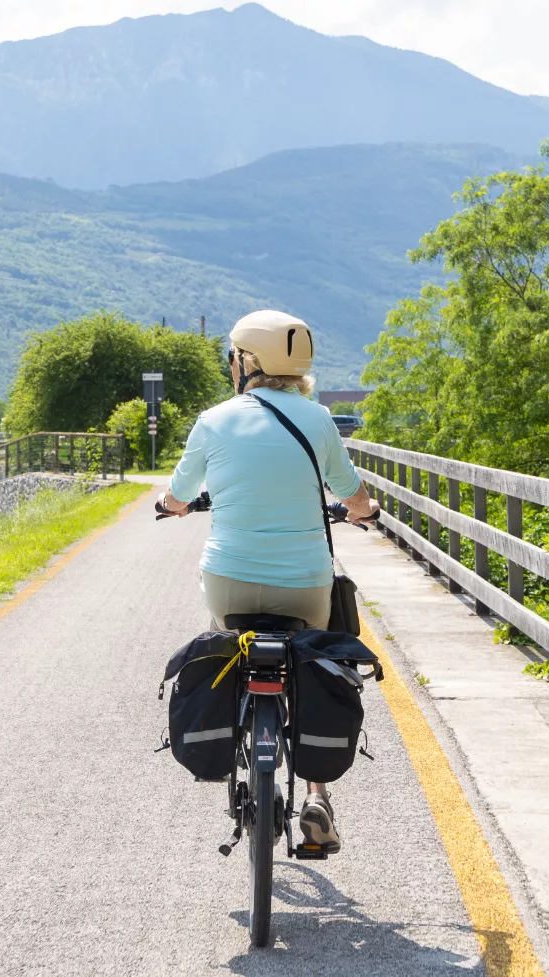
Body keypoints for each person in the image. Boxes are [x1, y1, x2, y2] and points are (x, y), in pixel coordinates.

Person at [155, 309, 379, 850]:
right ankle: (317, 796)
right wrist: (362, 511)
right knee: (309, 658)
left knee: (226, 634)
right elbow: (353, 495)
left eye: (232, 355)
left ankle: (233, 728)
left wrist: (172, 506)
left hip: (230, 582)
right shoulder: (319, 419)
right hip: (303, 583)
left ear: (246, 362)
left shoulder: (213, 420)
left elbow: (178, 494)